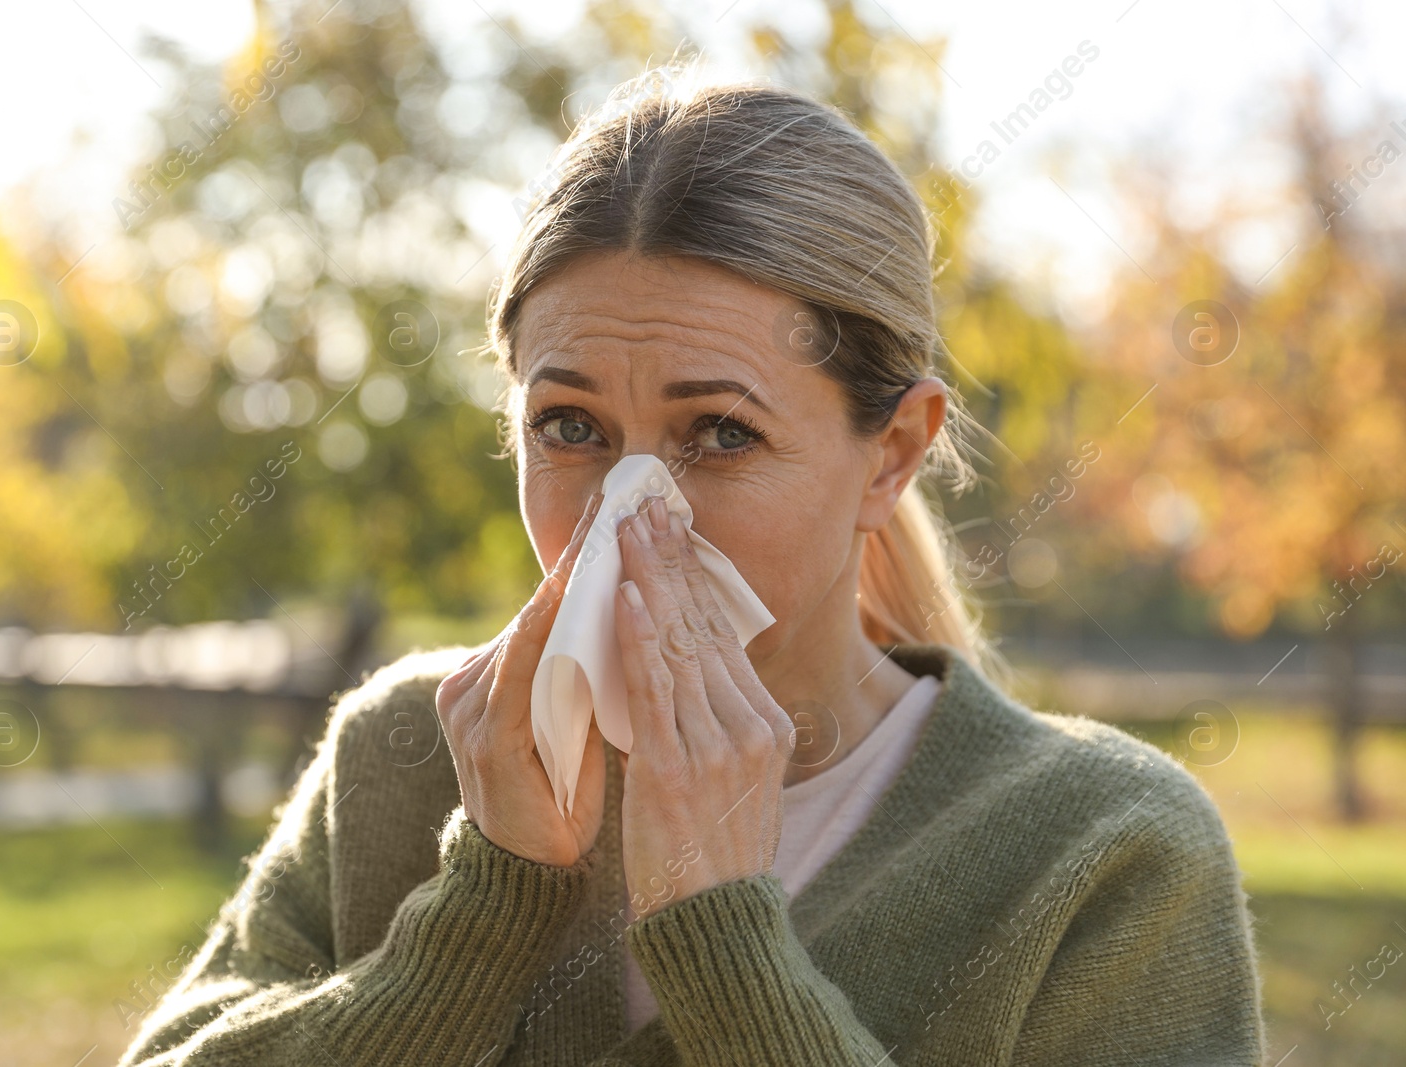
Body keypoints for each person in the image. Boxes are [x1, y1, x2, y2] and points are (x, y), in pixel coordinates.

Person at [117, 62, 1265, 1066]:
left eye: (720, 433)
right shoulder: (407, 754)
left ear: (892, 455)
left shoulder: (1103, 849)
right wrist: (484, 904)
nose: (630, 513)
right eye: (569, 427)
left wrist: (721, 939)